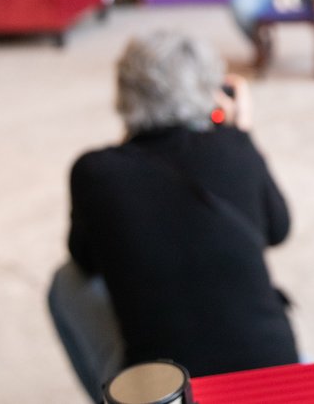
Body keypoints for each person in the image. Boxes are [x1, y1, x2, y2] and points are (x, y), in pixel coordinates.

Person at [48, 31, 298, 400]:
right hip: (278, 376)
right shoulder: (235, 147)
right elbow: (279, 228)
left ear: (125, 91)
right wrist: (241, 136)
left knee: (65, 282)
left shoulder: (94, 171)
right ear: (211, 91)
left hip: (171, 393)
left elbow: (85, 258)